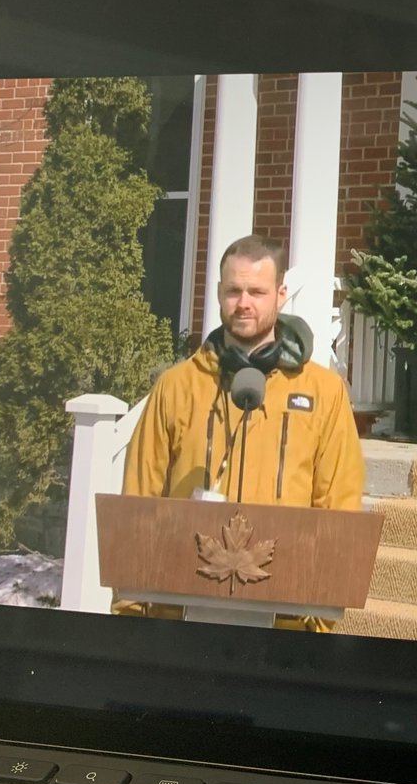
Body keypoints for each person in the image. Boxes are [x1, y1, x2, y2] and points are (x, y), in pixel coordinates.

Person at [119, 234, 366, 628]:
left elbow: (339, 506)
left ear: (281, 294)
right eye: (234, 291)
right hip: (181, 609)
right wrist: (132, 615)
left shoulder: (324, 392)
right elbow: (139, 500)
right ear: (218, 292)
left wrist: (317, 624)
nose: (244, 303)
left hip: (285, 615)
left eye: (257, 291)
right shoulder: (177, 386)